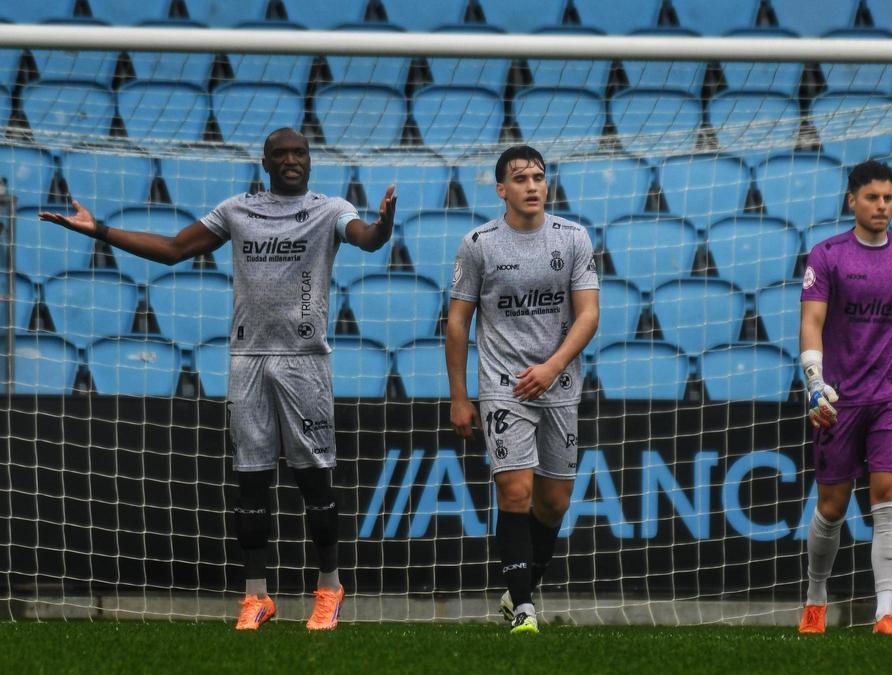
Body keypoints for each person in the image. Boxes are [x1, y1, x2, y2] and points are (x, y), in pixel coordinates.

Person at [39, 128, 397, 631]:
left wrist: (383, 226)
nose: (292, 160)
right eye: (282, 154)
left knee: (313, 480)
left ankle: (330, 588)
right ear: (265, 162)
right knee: (251, 482)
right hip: (246, 357)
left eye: (300, 153)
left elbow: (366, 240)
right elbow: (171, 249)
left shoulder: (329, 208)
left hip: (304, 360)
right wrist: (99, 230)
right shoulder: (237, 210)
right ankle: (257, 598)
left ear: (310, 162)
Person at [445, 145, 599, 635]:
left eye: (538, 176)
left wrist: (552, 367)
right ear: (501, 190)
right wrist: (459, 395)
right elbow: (457, 322)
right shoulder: (479, 243)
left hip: (558, 384)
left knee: (553, 503)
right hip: (502, 385)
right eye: (520, 178)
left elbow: (589, 313)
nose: (532, 185)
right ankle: (527, 610)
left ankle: (517, 594)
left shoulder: (573, 238)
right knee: (515, 491)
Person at [796, 160, 892, 635]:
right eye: (872, 197)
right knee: (832, 507)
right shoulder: (826, 256)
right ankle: (816, 597)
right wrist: (814, 382)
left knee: (889, 497)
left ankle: (885, 612)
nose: (882, 206)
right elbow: (812, 322)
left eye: (888, 198)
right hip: (838, 398)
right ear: (852, 201)